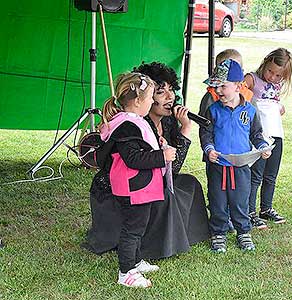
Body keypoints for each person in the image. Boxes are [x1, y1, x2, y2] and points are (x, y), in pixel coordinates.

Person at [85, 62, 210, 262]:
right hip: (120, 188)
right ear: (142, 100)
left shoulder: (167, 121)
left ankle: (185, 235)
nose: (171, 98)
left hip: (147, 178)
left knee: (189, 183)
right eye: (160, 93)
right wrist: (184, 133)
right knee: (164, 196)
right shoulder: (133, 125)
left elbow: (173, 171)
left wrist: (179, 131)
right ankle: (144, 253)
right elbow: (152, 163)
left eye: (172, 90)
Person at [96, 72, 176, 288]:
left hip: (139, 187)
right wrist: (162, 156)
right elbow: (133, 158)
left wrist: (156, 144)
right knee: (132, 229)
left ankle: (135, 261)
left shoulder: (133, 121)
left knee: (138, 227)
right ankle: (126, 273)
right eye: (151, 97)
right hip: (133, 188)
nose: (152, 101)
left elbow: (139, 147)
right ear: (138, 101)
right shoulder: (127, 126)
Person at [200, 59, 272, 253]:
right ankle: (218, 234)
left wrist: (263, 146)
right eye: (216, 86)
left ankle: (243, 232)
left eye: (223, 86)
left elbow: (256, 134)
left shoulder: (249, 111)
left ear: (238, 86)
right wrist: (209, 149)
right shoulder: (213, 110)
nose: (219, 91)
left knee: (240, 200)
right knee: (218, 201)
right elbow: (206, 134)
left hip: (241, 168)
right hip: (218, 167)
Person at [244, 48, 292, 230]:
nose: (272, 77)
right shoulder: (252, 79)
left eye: (278, 75)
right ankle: (250, 212)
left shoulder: (277, 85)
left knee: (271, 174)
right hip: (258, 135)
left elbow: (274, 102)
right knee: (256, 174)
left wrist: (279, 106)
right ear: (265, 62)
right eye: (270, 71)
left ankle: (266, 207)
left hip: (275, 133)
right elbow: (239, 93)